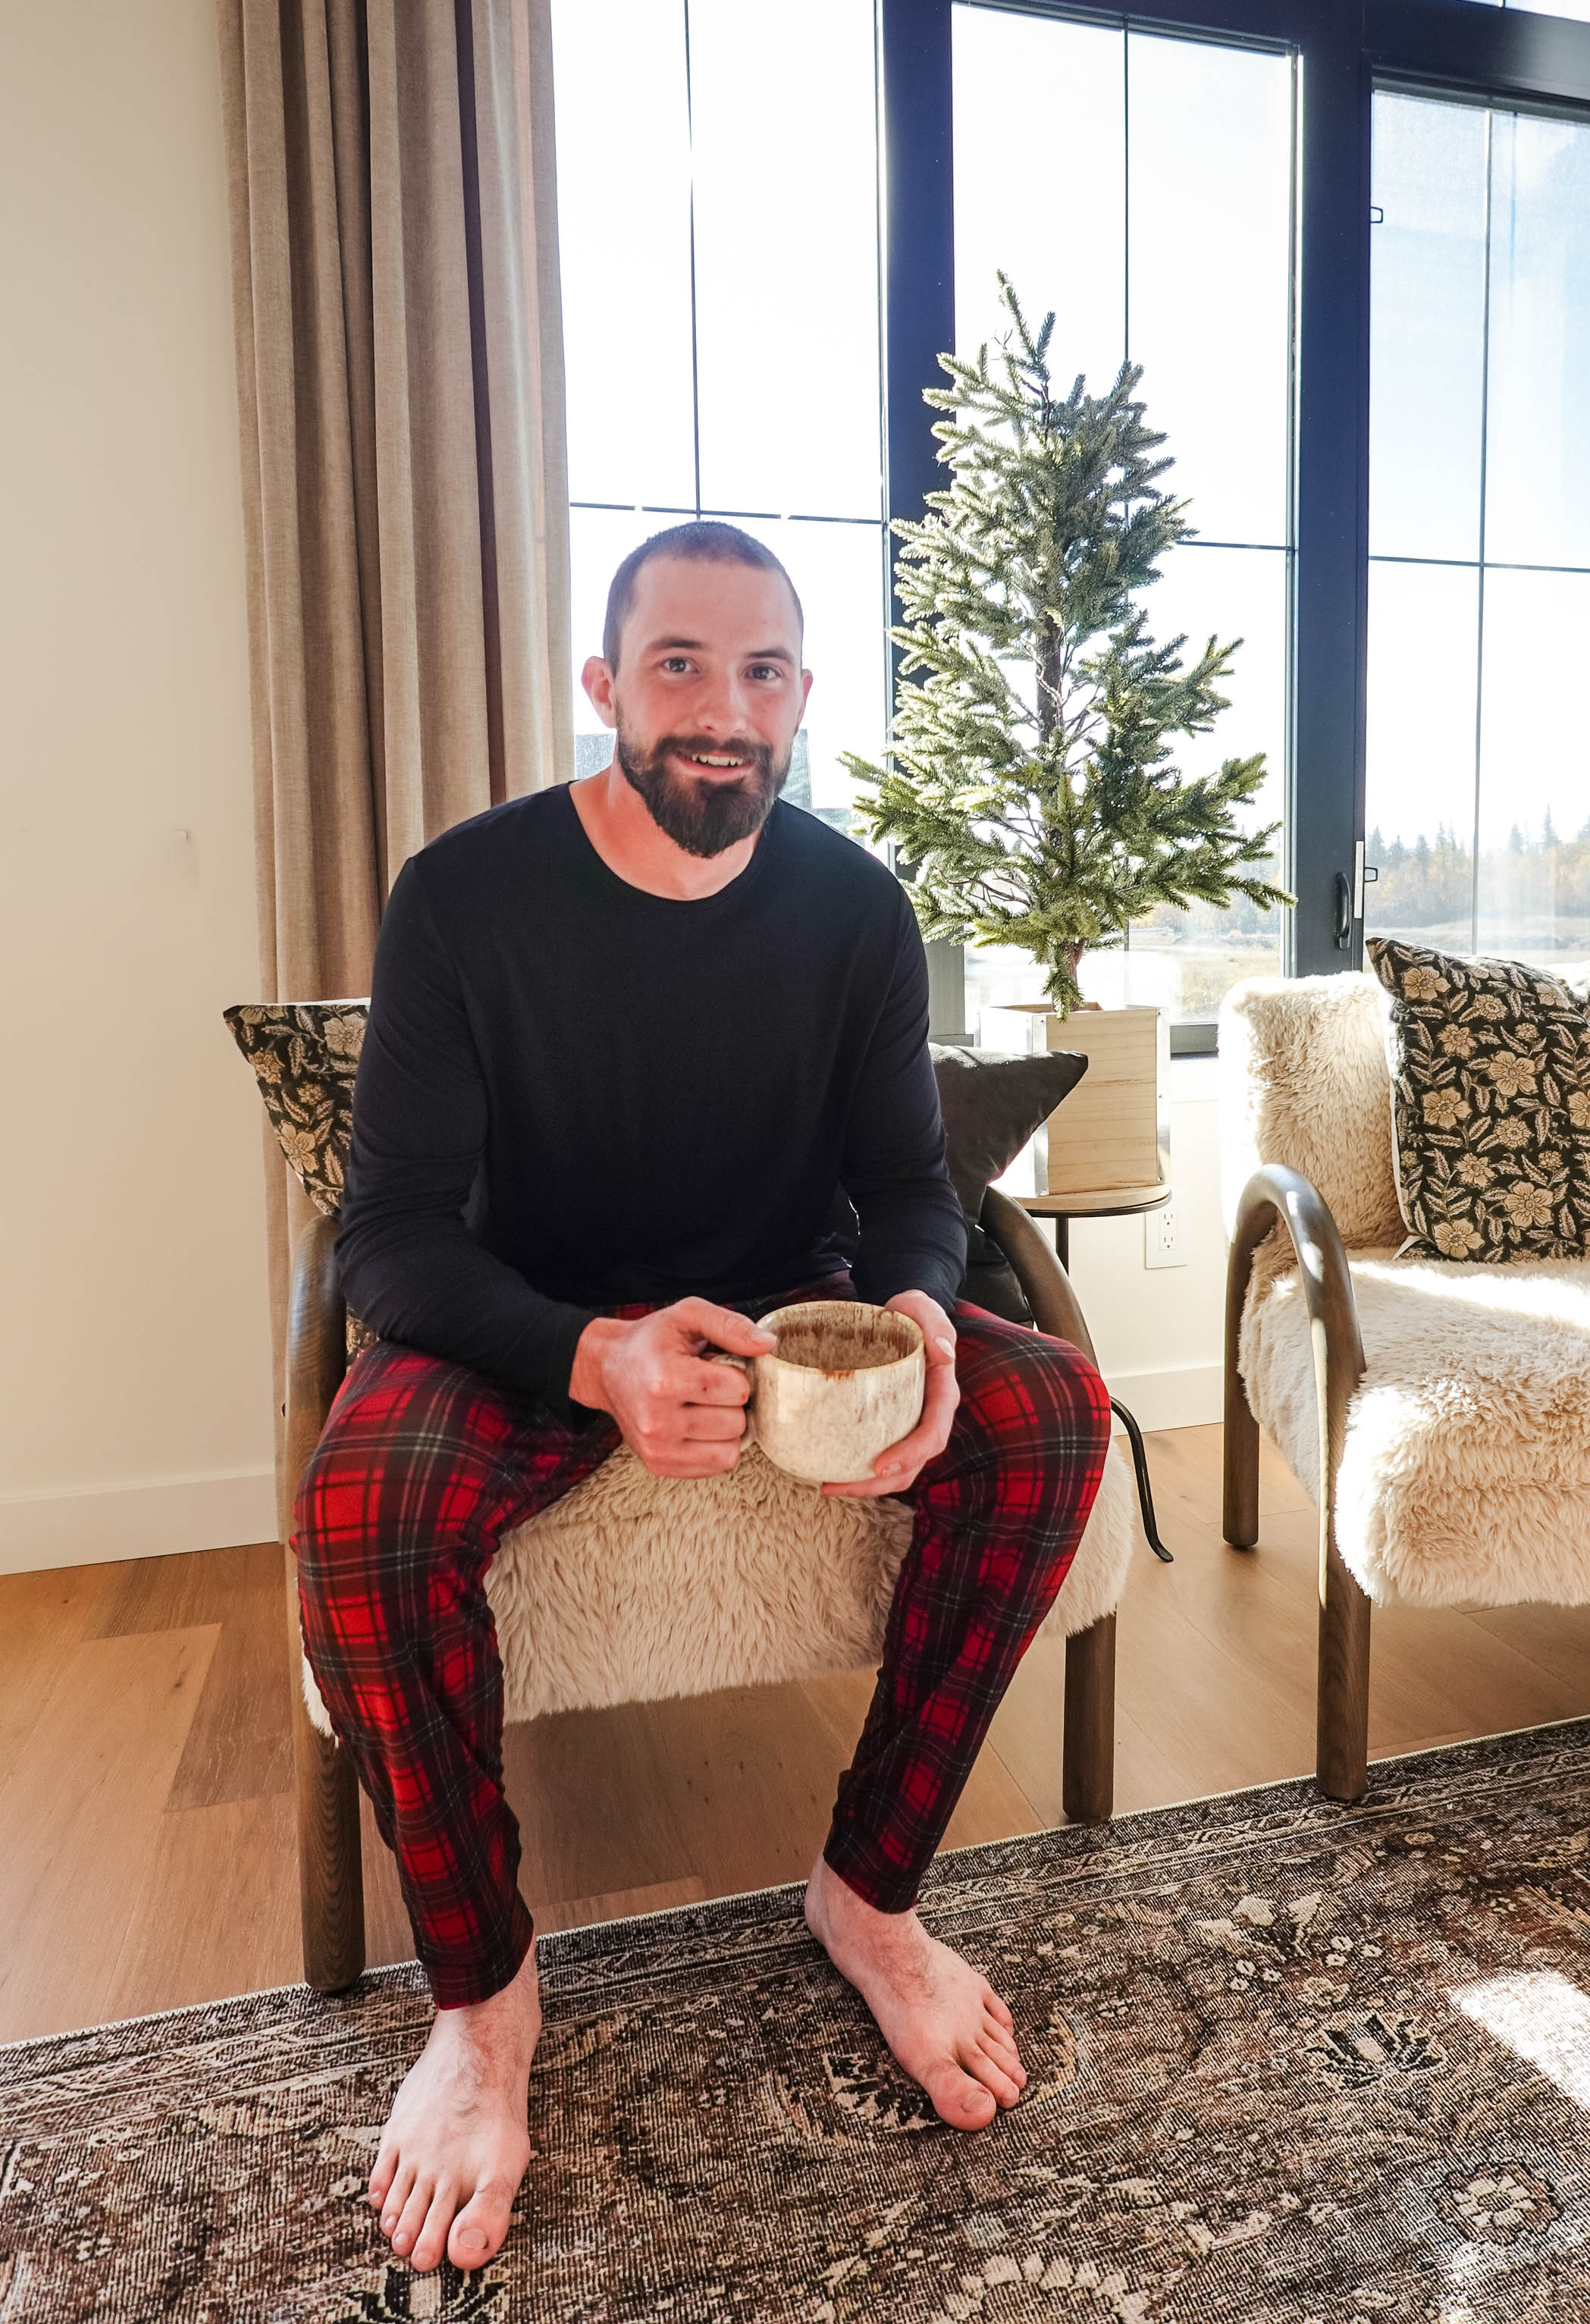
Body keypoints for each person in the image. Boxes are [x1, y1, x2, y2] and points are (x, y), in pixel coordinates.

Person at [293, 519, 1112, 2277]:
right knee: (361, 1495)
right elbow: (385, 1240)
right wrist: (591, 1353)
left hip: (778, 1320)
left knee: (1050, 1413)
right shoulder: (462, 896)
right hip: (534, 1320)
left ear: (804, 696)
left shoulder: (857, 907)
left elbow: (910, 1180)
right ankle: (482, 1993)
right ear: (603, 684)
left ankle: (871, 1891)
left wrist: (917, 1306)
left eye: (763, 673)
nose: (723, 712)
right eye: (679, 665)